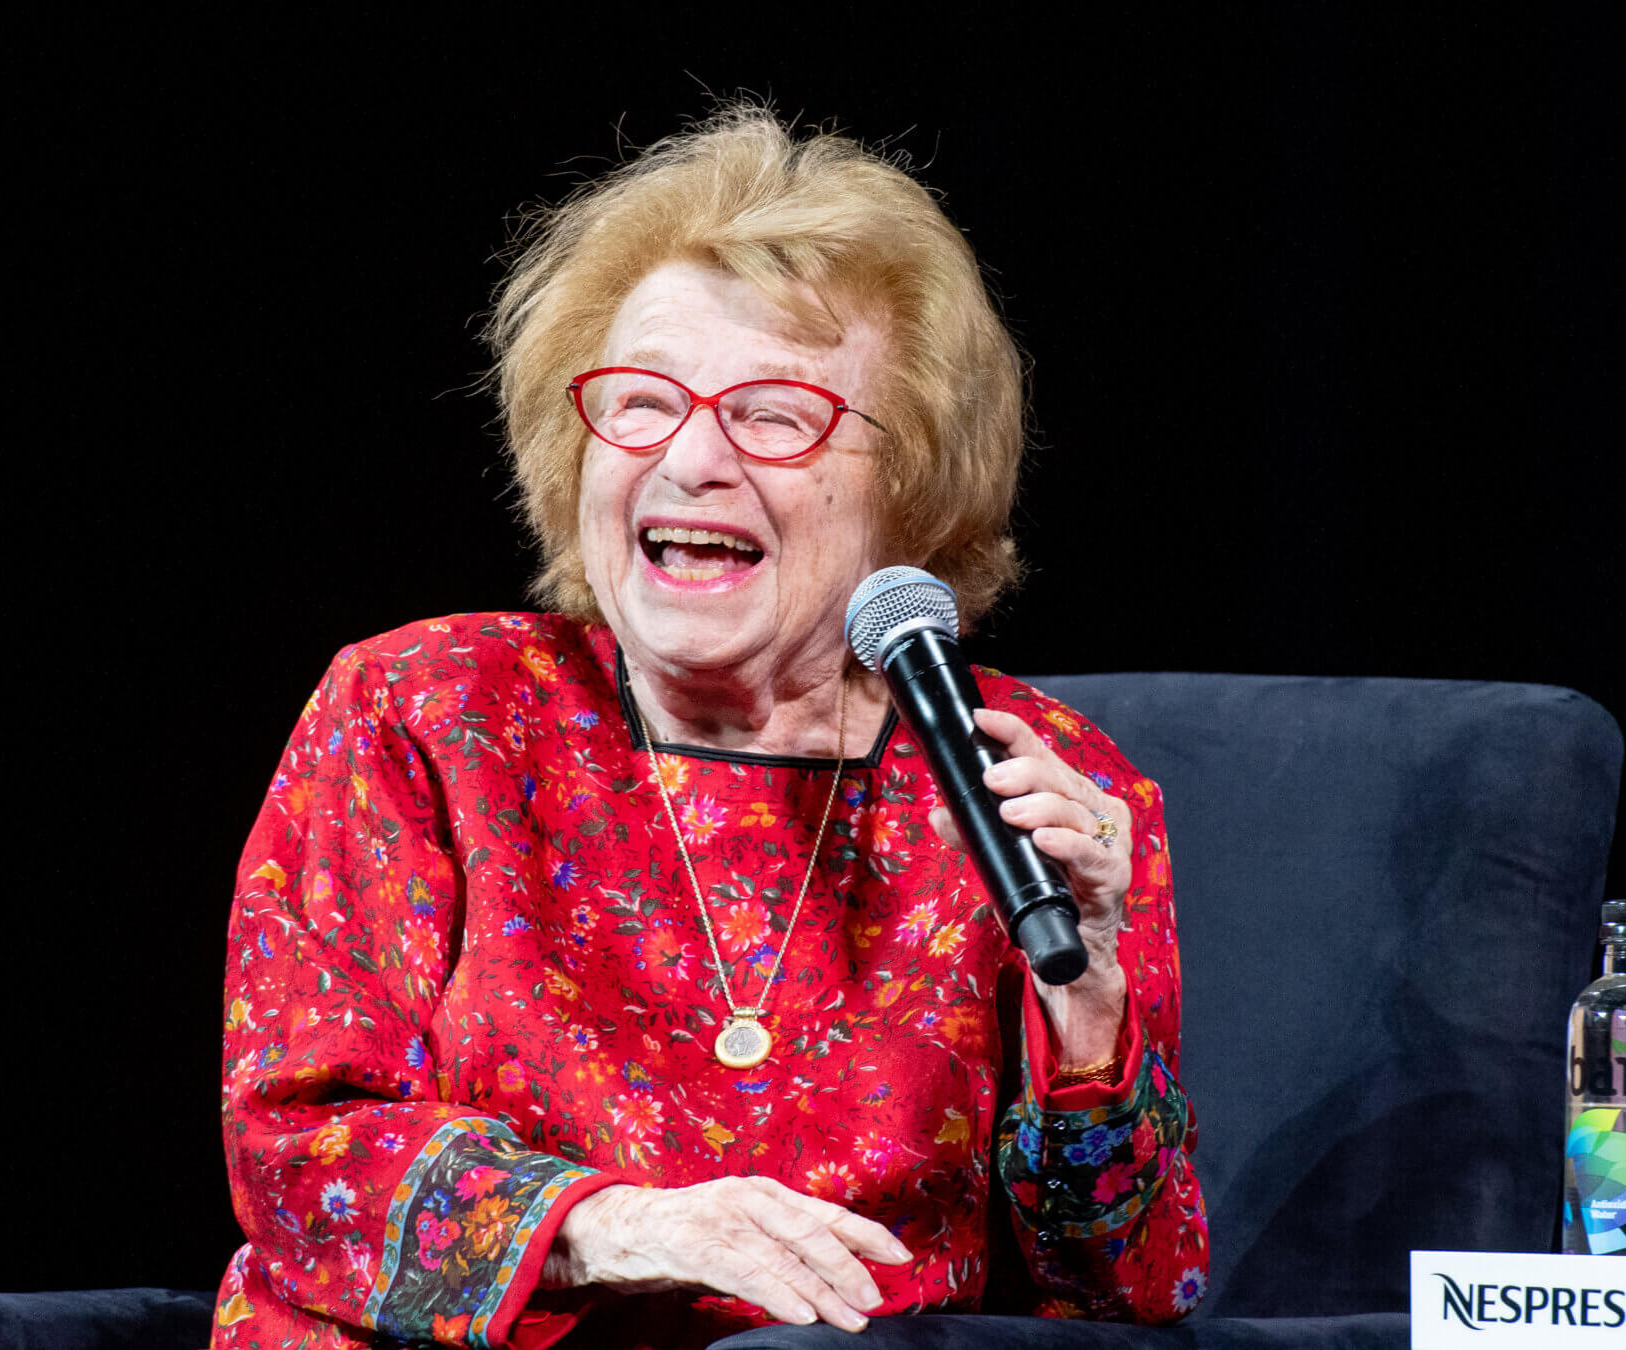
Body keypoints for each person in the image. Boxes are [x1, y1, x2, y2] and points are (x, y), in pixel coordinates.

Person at [210, 106, 1206, 1350]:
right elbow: (302, 1153)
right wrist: (616, 1224)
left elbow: (1134, 1301)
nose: (690, 461)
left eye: (775, 416)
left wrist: (1091, 1008)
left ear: (910, 488)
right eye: (641, 403)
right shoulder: (430, 709)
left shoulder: (1036, 782)